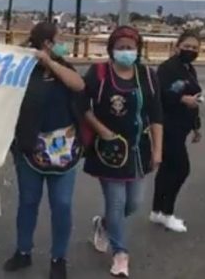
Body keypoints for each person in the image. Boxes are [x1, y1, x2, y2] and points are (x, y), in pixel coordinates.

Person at [2, 22, 85, 279]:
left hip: (64, 149)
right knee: (28, 202)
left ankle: (58, 257)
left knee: (61, 204)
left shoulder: (63, 67)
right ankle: (23, 251)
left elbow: (78, 85)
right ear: (47, 42)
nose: (63, 42)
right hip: (29, 147)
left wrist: (50, 63)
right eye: (59, 39)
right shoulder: (22, 68)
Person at [83, 26, 163, 278]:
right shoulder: (99, 73)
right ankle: (120, 253)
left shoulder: (147, 76)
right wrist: (102, 130)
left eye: (130, 47)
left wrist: (158, 149)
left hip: (139, 149)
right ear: (111, 49)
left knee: (133, 203)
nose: (126, 52)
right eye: (121, 47)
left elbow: (156, 114)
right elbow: (83, 106)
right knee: (116, 203)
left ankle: (103, 224)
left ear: (138, 50)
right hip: (110, 150)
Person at [151, 30, 202, 233]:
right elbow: (159, 94)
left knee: (167, 170)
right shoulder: (167, 68)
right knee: (181, 169)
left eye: (195, 48)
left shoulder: (189, 68)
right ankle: (167, 213)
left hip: (182, 127)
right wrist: (181, 99)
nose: (191, 50)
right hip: (167, 126)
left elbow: (194, 97)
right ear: (177, 46)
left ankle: (157, 211)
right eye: (187, 46)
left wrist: (196, 126)